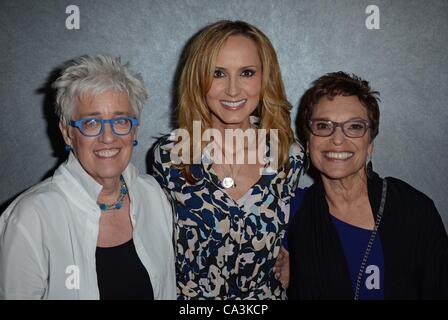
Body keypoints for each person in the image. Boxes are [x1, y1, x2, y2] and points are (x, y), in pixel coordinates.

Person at [0, 55, 176, 299]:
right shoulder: (30, 217)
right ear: (67, 133)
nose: (108, 137)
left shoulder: (153, 195)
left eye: (121, 121)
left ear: (134, 128)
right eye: (91, 123)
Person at [151, 20, 304, 299]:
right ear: (198, 79)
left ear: (264, 78)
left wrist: (297, 258)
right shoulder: (170, 156)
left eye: (246, 72)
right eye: (218, 73)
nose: (233, 90)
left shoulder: (287, 155)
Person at [288, 71, 448, 299]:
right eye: (323, 125)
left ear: (370, 143)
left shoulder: (414, 209)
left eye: (354, 127)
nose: (337, 139)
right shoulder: (292, 212)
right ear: (308, 141)